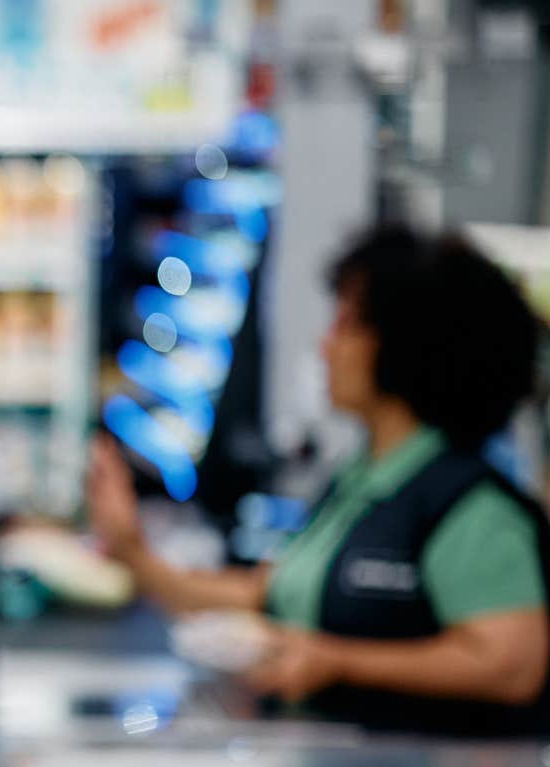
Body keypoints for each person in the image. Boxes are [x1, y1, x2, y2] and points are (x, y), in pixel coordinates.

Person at [87, 223, 549, 732]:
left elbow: (513, 665)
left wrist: (336, 660)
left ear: (407, 346)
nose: (326, 345)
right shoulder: (362, 481)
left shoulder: (470, 507)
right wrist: (133, 553)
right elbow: (276, 593)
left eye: (346, 325)